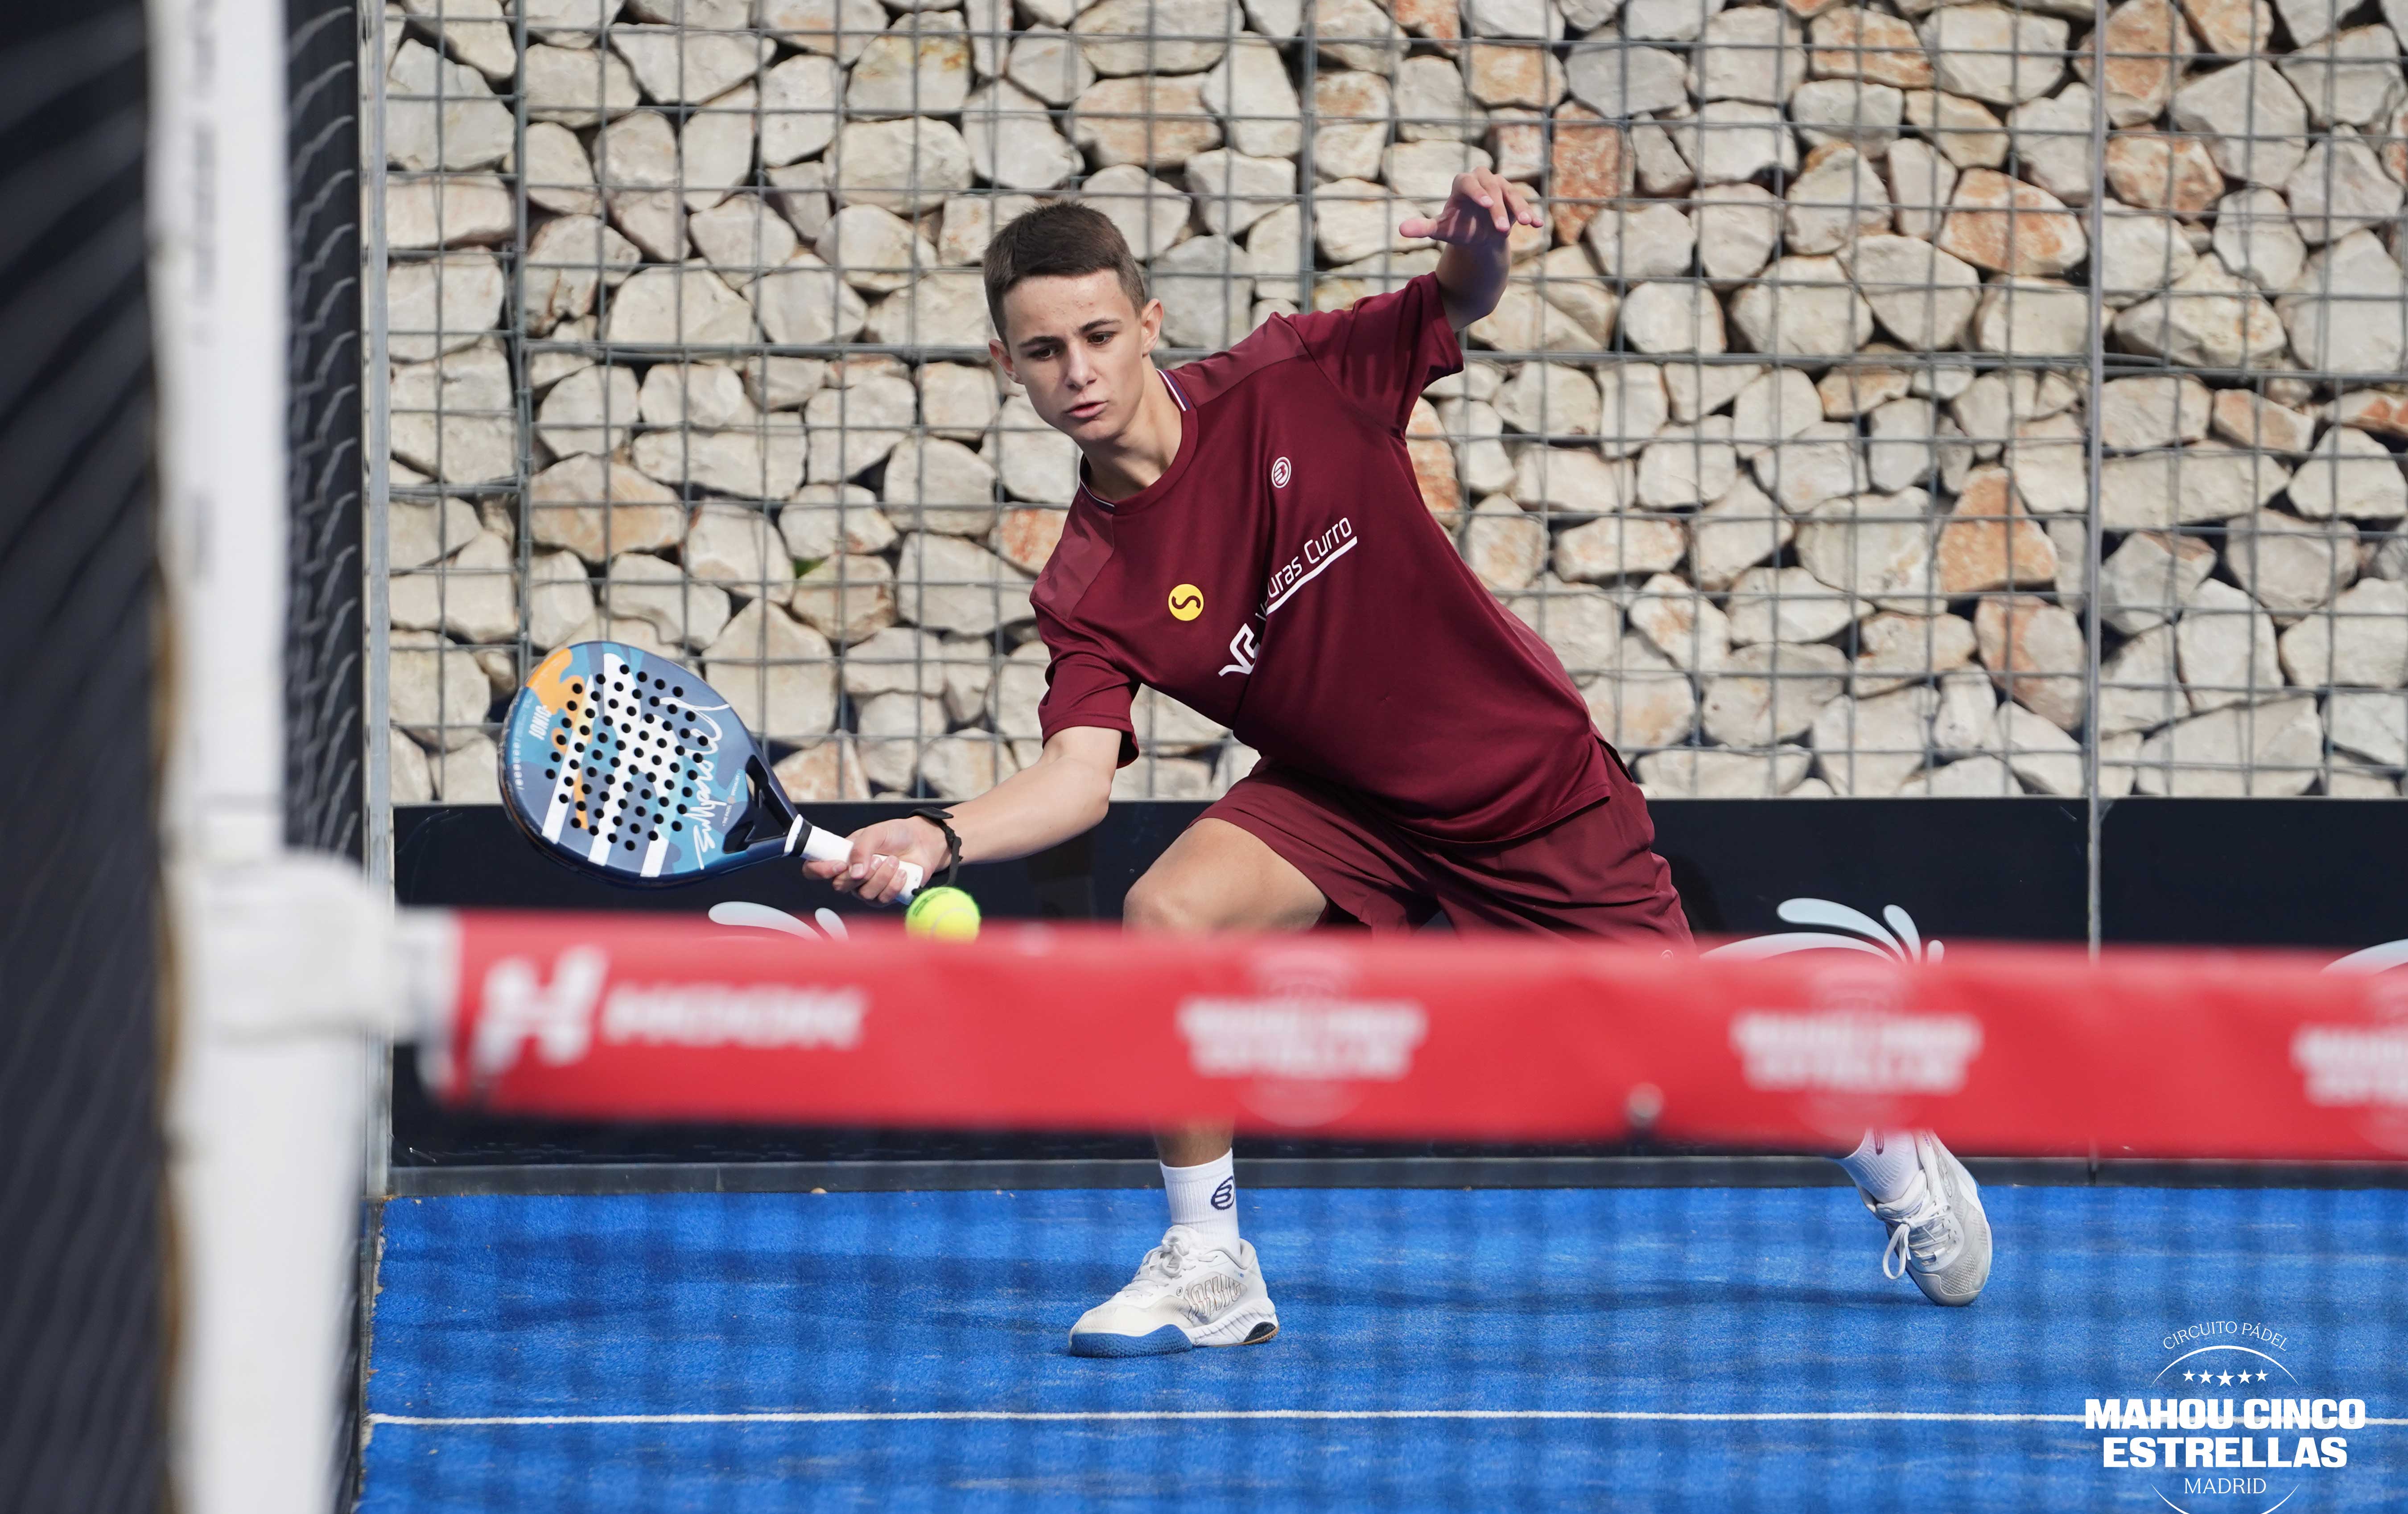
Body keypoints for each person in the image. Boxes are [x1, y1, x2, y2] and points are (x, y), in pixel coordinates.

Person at [808, 175, 1992, 1354]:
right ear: (1008, 365)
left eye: (1100, 336)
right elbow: (1076, 776)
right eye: (1044, 351)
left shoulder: (1296, 377)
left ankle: (1880, 1135)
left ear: (1150, 323)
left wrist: (1482, 247)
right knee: (1169, 914)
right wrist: (943, 833)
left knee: (1679, 1059)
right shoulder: (1087, 584)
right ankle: (1211, 1263)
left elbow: (1456, 298)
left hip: (1518, 781)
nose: (1079, 371)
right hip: (1341, 801)